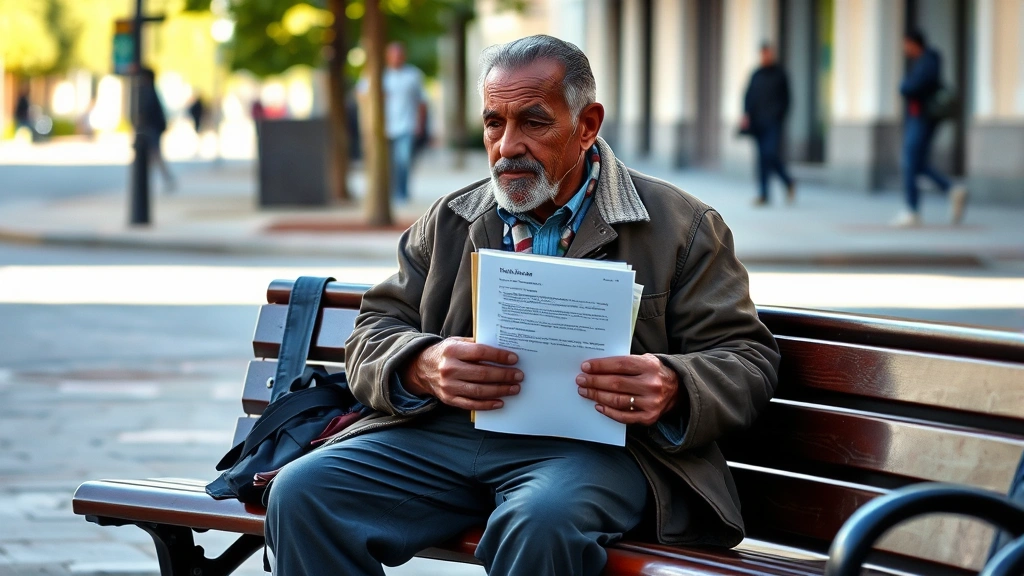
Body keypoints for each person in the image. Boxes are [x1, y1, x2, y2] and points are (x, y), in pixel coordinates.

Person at [266, 35, 780, 576]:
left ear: (587, 125)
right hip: (450, 435)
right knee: (303, 493)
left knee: (542, 520)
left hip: (602, 451)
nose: (508, 146)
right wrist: (422, 365)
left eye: (533, 123)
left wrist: (673, 383)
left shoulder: (682, 226)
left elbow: (747, 358)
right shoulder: (452, 218)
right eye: (494, 124)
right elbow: (373, 330)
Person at [894, 29, 968, 227]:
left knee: (910, 161)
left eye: (906, 44)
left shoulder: (929, 60)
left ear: (913, 43)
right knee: (917, 163)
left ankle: (912, 210)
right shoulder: (923, 61)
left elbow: (912, 87)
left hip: (923, 118)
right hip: (920, 117)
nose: (904, 49)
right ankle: (951, 189)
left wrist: (905, 86)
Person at [360, 42, 428, 203]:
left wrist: (420, 124)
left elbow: (421, 102)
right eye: (393, 55)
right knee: (386, 163)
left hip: (406, 125)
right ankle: (387, 193)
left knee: (403, 161)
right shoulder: (379, 74)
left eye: (399, 55)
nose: (396, 58)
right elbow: (361, 94)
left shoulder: (413, 75)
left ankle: (401, 193)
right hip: (382, 127)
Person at [741, 43, 795, 206]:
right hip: (757, 123)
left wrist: (779, 116)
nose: (766, 57)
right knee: (762, 159)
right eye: (763, 54)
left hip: (773, 123)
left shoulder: (780, 74)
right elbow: (748, 96)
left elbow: (787, 99)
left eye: (768, 54)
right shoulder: (756, 74)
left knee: (770, 154)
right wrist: (746, 114)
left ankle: (787, 181)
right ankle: (764, 193)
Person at [136, 68, 176, 192]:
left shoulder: (149, 92)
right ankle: (161, 179)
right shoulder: (151, 91)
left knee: (155, 155)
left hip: (151, 129)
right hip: (153, 129)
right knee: (154, 156)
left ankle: (164, 179)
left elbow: (147, 111)